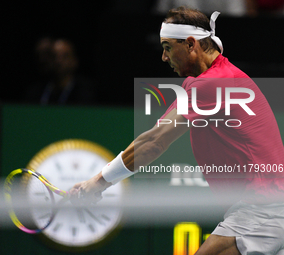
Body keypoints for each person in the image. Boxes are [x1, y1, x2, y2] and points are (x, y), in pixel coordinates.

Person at [70, 6, 284, 255]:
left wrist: (98, 182)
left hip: (262, 208)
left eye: (168, 47)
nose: (163, 56)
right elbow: (157, 134)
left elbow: (154, 141)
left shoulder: (213, 84)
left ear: (192, 44)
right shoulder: (213, 80)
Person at [24, 37, 97, 106]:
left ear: (75, 61)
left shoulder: (85, 92)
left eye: (64, 56)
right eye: (54, 56)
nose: (58, 61)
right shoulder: (36, 92)